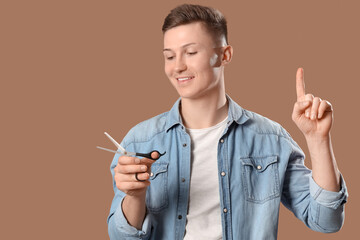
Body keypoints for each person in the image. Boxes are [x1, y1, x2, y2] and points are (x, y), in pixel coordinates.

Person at [107, 4, 348, 240]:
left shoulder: (270, 139)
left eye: (190, 53)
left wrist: (318, 140)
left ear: (225, 55)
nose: (178, 66)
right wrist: (135, 196)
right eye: (169, 56)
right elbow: (121, 237)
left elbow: (326, 221)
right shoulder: (139, 140)